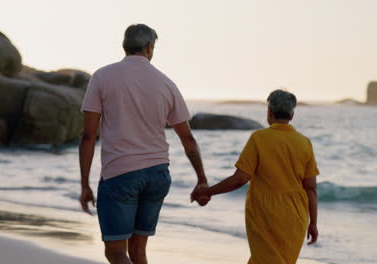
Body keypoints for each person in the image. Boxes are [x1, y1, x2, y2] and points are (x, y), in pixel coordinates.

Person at [79, 24, 209, 264]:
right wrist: (201, 178)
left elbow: (88, 135)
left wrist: (85, 184)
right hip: (157, 174)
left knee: (116, 253)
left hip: (120, 175)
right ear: (150, 48)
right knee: (138, 251)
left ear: (124, 46)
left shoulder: (102, 76)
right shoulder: (166, 83)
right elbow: (187, 138)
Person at [191, 90, 319, 264]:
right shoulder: (304, 142)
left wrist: (209, 191)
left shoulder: (259, 138)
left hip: (266, 214)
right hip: (297, 216)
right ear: (292, 115)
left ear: (269, 113)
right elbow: (310, 187)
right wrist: (313, 223)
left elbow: (240, 179)